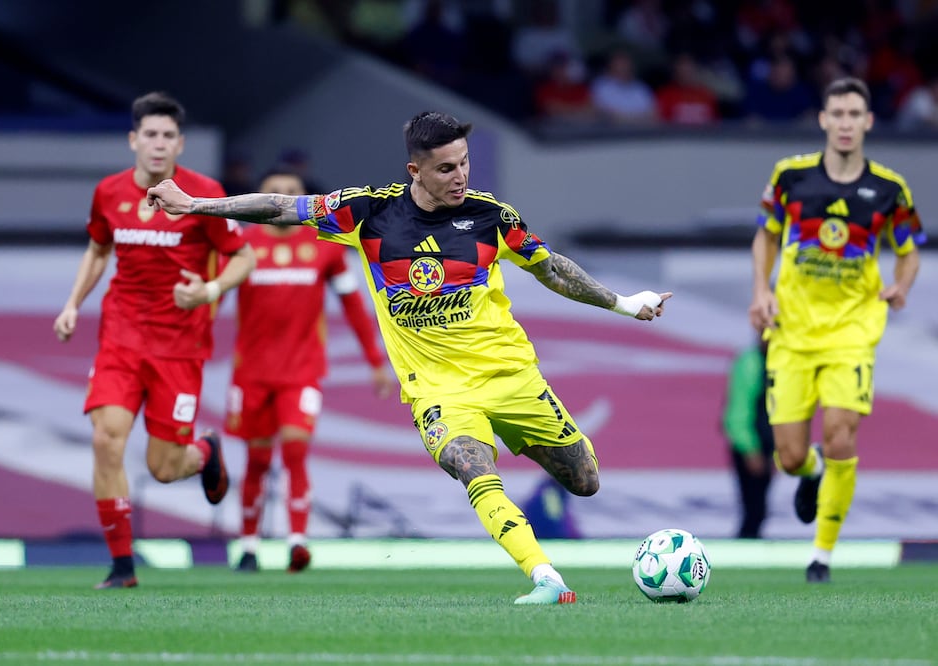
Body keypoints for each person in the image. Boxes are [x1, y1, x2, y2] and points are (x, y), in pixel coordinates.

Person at [147, 111, 672, 605]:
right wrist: (194, 204)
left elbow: (552, 268)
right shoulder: (369, 214)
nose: (460, 176)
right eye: (446, 168)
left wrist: (626, 304)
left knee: (585, 481)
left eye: (464, 162)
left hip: (513, 377)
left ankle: (523, 440)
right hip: (439, 391)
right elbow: (284, 208)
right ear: (414, 170)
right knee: (473, 467)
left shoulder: (490, 218)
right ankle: (546, 577)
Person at [53, 91, 256, 589]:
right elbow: (99, 249)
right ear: (133, 140)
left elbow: (244, 257)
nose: (159, 144)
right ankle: (123, 567)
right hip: (120, 338)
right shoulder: (109, 192)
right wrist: (73, 303)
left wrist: (207, 290)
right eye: (150, 135)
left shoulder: (203, 193)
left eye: (168, 136)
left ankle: (205, 452)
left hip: (179, 347)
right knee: (106, 441)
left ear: (180, 144)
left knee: (164, 468)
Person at [749, 77, 925, 583]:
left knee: (841, 433)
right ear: (823, 120)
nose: (846, 123)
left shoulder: (889, 190)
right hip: (792, 332)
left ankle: (822, 554)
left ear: (868, 122)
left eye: (855, 114)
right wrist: (760, 290)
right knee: (788, 455)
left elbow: (910, 248)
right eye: (837, 114)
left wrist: (901, 284)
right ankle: (811, 472)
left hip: (852, 331)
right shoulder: (790, 177)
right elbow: (765, 235)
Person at [227, 168, 394, 573]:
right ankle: (248, 545)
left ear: (301, 199)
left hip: (302, 370)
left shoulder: (325, 245)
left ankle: (297, 542)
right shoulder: (241, 242)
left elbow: (353, 306)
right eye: (273, 193)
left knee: (296, 450)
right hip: (251, 372)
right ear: (259, 198)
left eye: (290, 193)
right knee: (257, 459)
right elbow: (212, 297)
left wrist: (375, 360)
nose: (281, 199)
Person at [721, 338, 775, 539]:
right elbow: (738, 411)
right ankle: (747, 544)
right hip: (752, 445)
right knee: (754, 507)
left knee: (759, 506)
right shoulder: (751, 362)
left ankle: (750, 542)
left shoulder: (777, 360)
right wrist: (750, 449)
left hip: (765, 444)